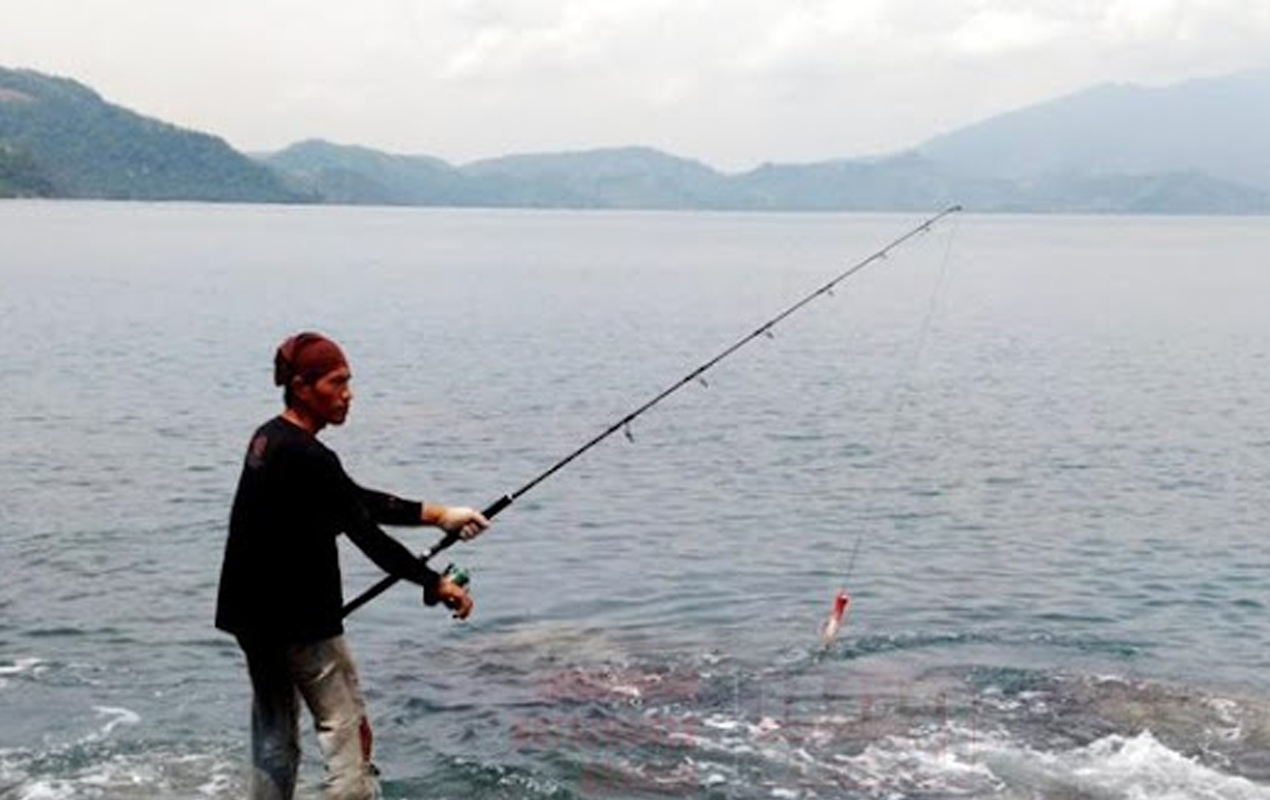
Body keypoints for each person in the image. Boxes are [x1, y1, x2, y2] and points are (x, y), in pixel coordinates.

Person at [215, 331, 489, 800]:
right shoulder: (309, 455)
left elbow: (351, 500)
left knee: (275, 732)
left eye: (349, 381)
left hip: (251, 620)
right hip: (302, 625)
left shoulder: (269, 439)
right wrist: (435, 582)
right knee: (347, 735)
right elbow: (367, 535)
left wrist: (439, 514)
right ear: (302, 387)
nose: (348, 394)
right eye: (336, 383)